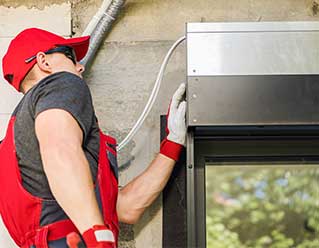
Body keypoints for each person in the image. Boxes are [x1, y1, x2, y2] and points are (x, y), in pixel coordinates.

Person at [0, 28, 186, 248]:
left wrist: (173, 143)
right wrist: (98, 237)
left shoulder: (11, 146)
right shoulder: (61, 84)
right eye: (70, 57)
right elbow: (60, 150)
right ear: (44, 62)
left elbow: (126, 208)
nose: (80, 66)